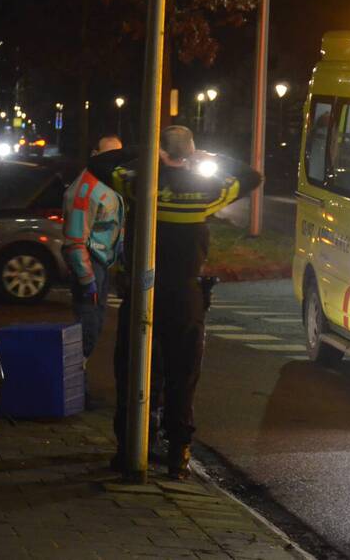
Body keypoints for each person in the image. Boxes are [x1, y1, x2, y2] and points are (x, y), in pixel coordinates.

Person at [88, 125, 261, 479]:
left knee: (134, 367)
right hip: (185, 296)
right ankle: (178, 453)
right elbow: (251, 176)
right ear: (191, 151)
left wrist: (144, 150)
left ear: (161, 153)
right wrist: (209, 158)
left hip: (144, 291)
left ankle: (131, 447)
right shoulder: (208, 190)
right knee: (183, 374)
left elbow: (101, 164)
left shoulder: (140, 184)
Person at [61, 134, 125, 362]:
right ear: (95, 155)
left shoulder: (108, 183)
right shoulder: (86, 190)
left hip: (101, 262)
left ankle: (77, 382)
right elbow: (76, 241)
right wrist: (87, 279)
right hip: (91, 262)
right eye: (109, 155)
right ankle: (76, 384)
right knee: (88, 328)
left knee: (94, 324)